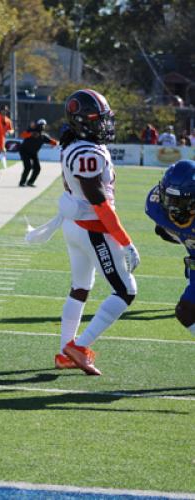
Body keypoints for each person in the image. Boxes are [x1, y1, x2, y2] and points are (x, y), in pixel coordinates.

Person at [57, 89, 140, 375]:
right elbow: (99, 202)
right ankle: (79, 346)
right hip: (93, 228)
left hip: (75, 226)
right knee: (126, 290)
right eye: (96, 119)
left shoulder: (76, 144)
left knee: (80, 288)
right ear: (81, 121)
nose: (103, 125)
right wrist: (124, 240)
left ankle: (64, 350)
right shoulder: (87, 152)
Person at [145, 160, 195, 337]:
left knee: (186, 311)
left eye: (178, 201)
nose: (171, 205)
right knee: (185, 313)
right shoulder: (156, 207)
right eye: (168, 198)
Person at [18, 118, 57, 187]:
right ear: (37, 125)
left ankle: (30, 182)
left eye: (43, 125)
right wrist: (31, 134)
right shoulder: (31, 131)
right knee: (28, 167)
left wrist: (54, 144)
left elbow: (53, 142)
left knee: (37, 168)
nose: (42, 127)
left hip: (33, 153)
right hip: (24, 151)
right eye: (41, 125)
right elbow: (22, 135)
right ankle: (22, 182)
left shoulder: (43, 136)